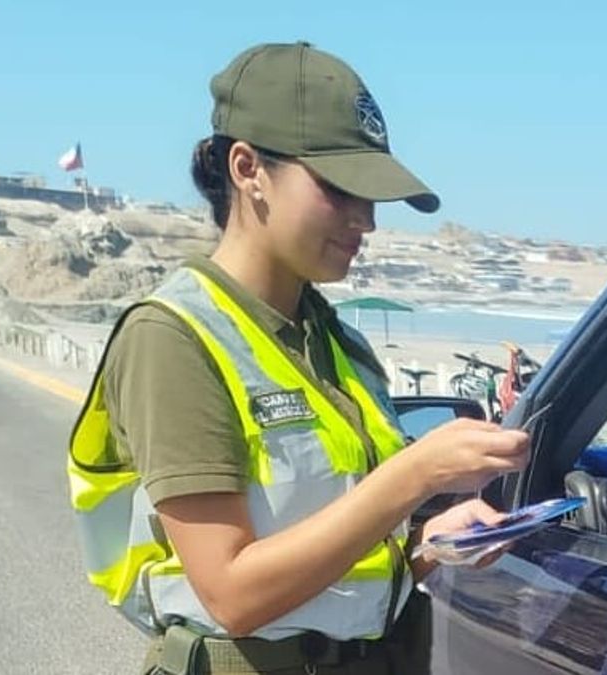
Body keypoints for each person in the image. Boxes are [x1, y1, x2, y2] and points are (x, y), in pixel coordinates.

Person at [67, 42, 529, 674]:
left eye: (372, 197)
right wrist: (416, 475)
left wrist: (429, 547)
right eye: (339, 189)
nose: (365, 220)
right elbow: (233, 595)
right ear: (247, 169)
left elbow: (336, 562)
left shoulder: (341, 347)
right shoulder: (174, 338)